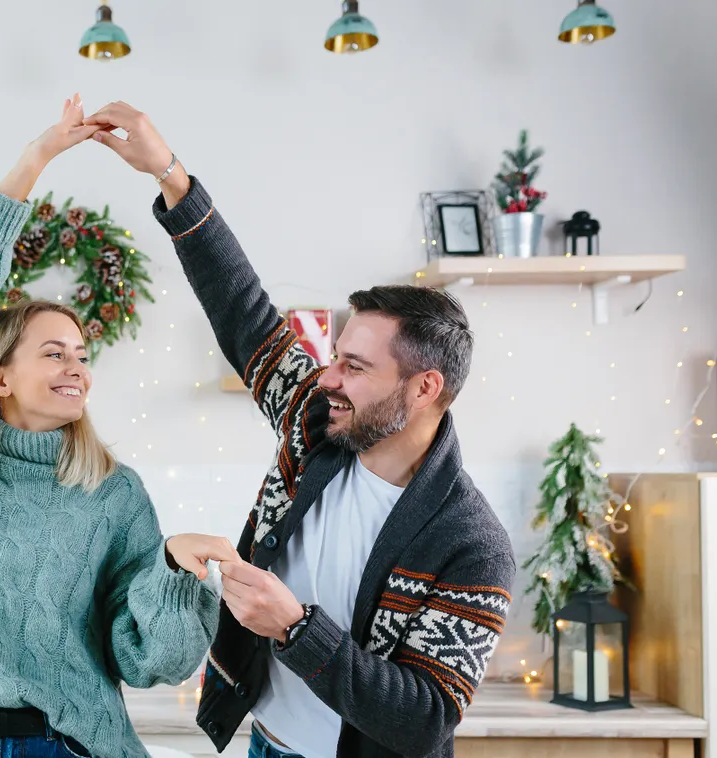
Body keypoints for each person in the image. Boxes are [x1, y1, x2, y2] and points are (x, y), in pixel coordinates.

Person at [85, 102, 516, 758]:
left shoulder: (471, 545)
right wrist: (169, 176)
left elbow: (425, 719)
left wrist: (293, 629)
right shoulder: (316, 424)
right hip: (265, 742)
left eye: (354, 366)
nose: (327, 377)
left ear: (424, 388)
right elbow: (244, 313)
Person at [0, 94, 230, 758]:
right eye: (52, 352)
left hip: (66, 745)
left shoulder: (112, 493)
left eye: (81, 354)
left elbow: (146, 661)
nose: (76, 368)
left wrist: (170, 570)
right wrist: (35, 157)